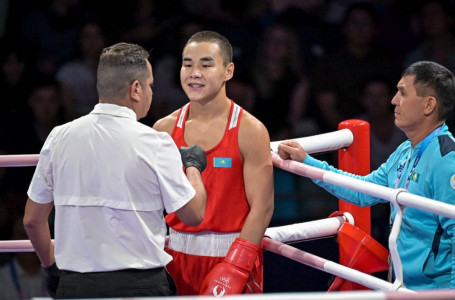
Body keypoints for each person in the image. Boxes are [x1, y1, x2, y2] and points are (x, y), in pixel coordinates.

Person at [22, 42, 208, 298]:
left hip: (76, 285)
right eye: (150, 85)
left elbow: (32, 220)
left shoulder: (59, 137)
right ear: (135, 89)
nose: (152, 93)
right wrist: (193, 167)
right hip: (142, 286)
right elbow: (194, 213)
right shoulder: (155, 142)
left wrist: (50, 267)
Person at [278, 61, 455, 290]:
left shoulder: (446, 160)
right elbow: (363, 191)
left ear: (429, 105)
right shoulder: (405, 150)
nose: (393, 100)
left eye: (402, 92)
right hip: (403, 287)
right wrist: (307, 163)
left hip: (435, 292)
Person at [153, 30, 274, 296]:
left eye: (206, 65)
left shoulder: (249, 129)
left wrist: (236, 265)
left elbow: (263, 207)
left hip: (233, 253)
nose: (194, 73)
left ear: (228, 71)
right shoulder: (164, 129)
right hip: (175, 256)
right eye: (188, 64)